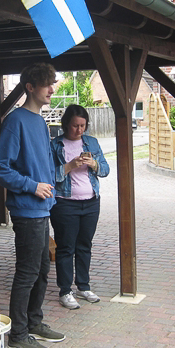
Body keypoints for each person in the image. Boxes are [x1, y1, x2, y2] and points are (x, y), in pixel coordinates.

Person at [0, 62, 65, 348]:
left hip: (43, 210)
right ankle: (18, 336)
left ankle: (34, 322)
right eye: (46, 84)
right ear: (30, 87)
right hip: (27, 211)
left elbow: (43, 164)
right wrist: (32, 186)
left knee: (43, 269)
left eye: (52, 83)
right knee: (28, 272)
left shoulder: (40, 122)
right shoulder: (16, 121)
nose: (52, 89)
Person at [50, 104, 110, 310]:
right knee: (66, 247)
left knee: (85, 245)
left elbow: (105, 170)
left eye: (83, 126)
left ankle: (83, 287)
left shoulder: (91, 142)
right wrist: (69, 166)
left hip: (91, 202)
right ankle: (65, 291)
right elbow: (48, 175)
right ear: (66, 124)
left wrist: (94, 164)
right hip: (64, 203)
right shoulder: (55, 145)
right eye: (75, 125)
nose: (79, 130)